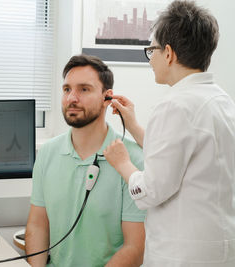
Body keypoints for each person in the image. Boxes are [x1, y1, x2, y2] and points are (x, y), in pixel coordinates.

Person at [103, 1, 235, 266]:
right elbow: (183, 156)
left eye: (151, 50)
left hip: (181, 256)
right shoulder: (221, 100)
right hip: (220, 249)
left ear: (169, 54)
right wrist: (136, 126)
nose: (150, 59)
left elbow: (151, 190)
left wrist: (123, 163)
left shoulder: (174, 105)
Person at [25, 54, 146, 267]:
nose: (72, 98)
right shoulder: (47, 154)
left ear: (107, 98)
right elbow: (38, 226)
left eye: (84, 89)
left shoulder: (132, 158)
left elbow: (134, 248)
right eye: (67, 89)